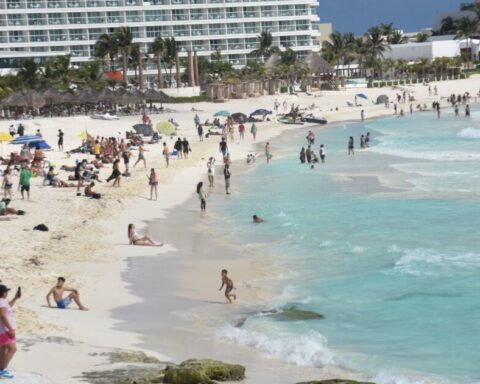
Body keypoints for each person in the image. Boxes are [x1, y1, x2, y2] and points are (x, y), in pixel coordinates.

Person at [0, 284, 20, 379]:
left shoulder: (2, 302)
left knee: (3, 350)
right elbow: (3, 316)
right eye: (7, 291)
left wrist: (15, 298)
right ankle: (2, 370)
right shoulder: (1, 302)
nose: (7, 293)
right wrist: (11, 329)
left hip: (3, 330)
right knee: (12, 349)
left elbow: (8, 308)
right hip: (6, 330)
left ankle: (1, 369)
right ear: (3, 293)